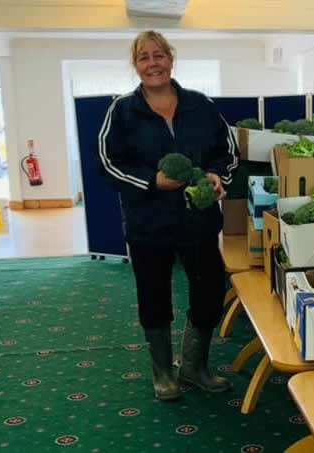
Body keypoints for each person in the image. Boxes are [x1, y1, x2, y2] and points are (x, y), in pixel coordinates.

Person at [98, 30, 239, 401]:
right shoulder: (123, 111)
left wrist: (216, 176)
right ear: (136, 65)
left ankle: (194, 367)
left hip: (199, 221)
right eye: (144, 57)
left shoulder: (201, 105)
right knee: (154, 296)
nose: (152, 63)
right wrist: (151, 181)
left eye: (159, 55)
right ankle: (163, 373)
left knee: (210, 292)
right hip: (149, 224)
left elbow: (228, 151)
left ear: (171, 60)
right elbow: (109, 163)